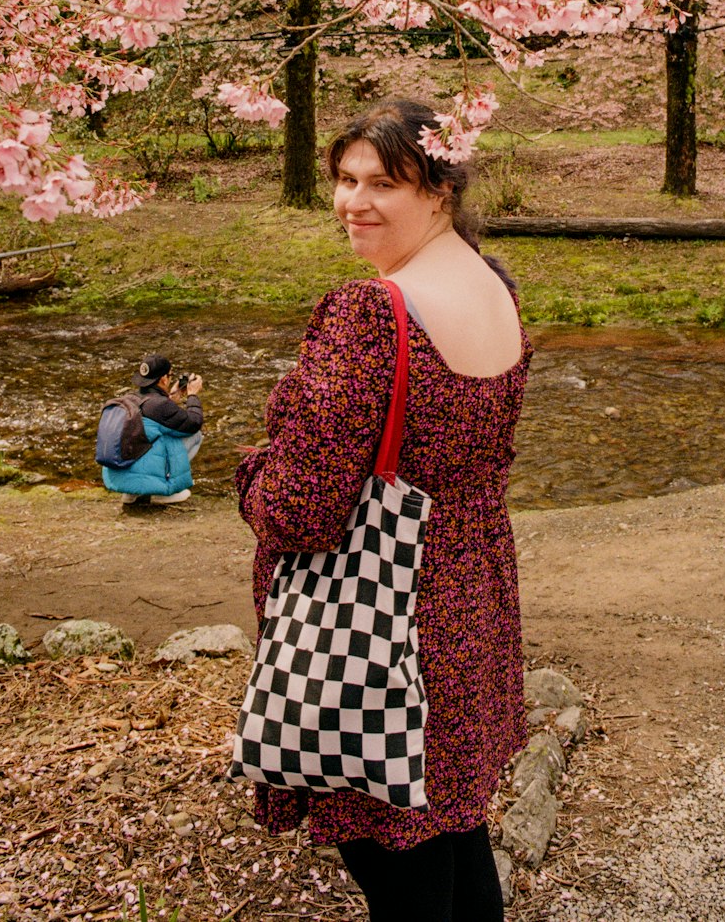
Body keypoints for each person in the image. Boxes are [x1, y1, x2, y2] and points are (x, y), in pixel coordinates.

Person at [235, 99, 532, 922]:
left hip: (383, 634)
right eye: (344, 178)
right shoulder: (489, 282)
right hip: (468, 608)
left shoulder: (371, 313)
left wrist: (251, 471)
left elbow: (298, 510)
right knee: (453, 839)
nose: (353, 201)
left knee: (402, 880)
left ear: (440, 190)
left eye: (384, 183)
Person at [101, 353, 203, 506]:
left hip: (116, 476)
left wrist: (170, 399)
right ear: (163, 379)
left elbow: (153, 416)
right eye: (169, 375)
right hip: (146, 481)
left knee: (151, 438)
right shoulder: (161, 405)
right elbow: (194, 423)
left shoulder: (129, 399)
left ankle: (132, 493)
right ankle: (161, 491)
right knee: (194, 435)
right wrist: (193, 395)